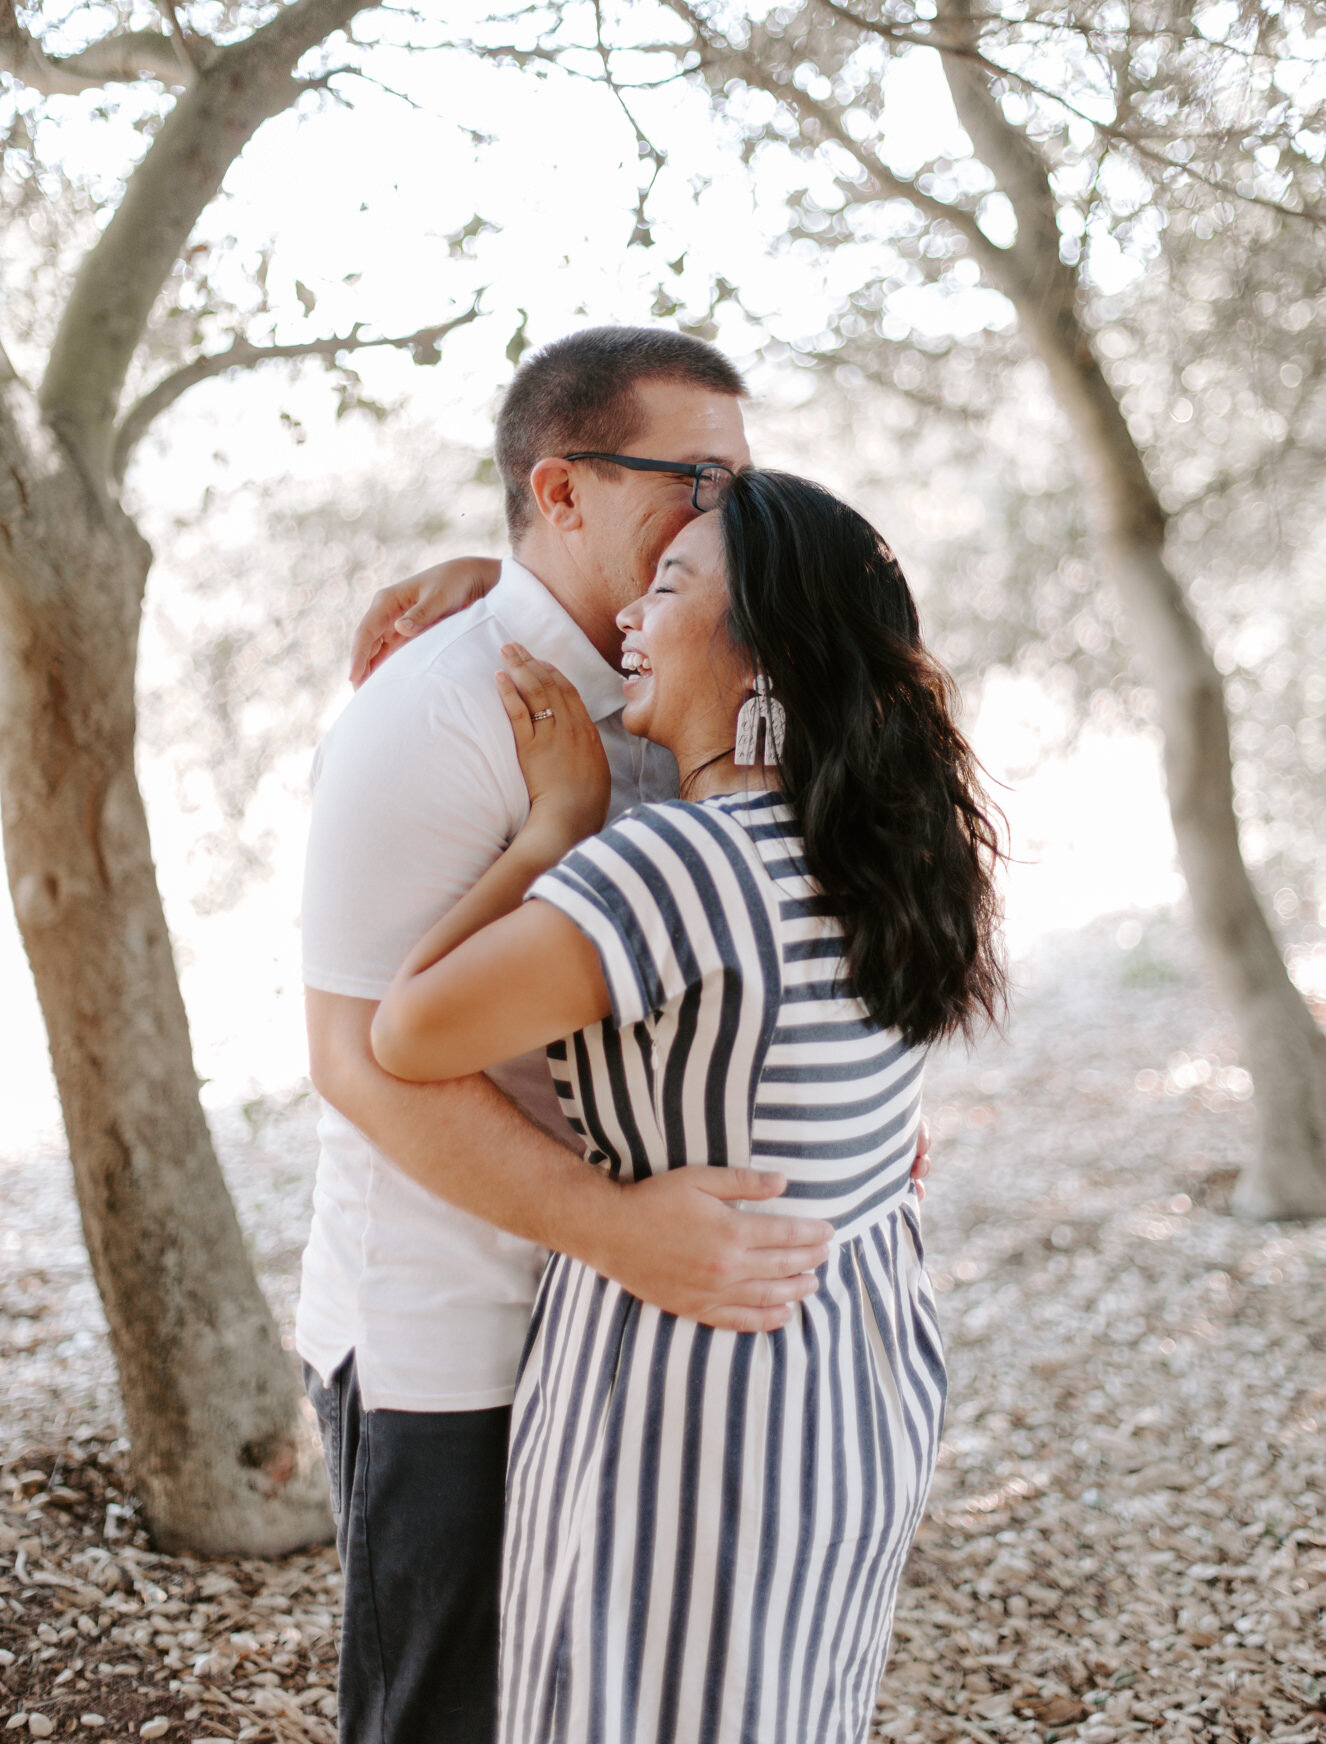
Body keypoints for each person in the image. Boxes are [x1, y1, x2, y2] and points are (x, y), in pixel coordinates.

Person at [366, 468, 1005, 1744]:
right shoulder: (887, 851)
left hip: (688, 1396)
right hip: (854, 1373)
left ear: (762, 644)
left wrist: (557, 821)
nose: (627, 622)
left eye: (668, 586)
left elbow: (405, 1030)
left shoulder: (679, 863)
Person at [298, 327, 845, 1744]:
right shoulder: (428, 713)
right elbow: (359, 1059)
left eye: (741, 480)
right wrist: (619, 1231)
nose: (730, 514)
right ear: (563, 491)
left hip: (649, 1346)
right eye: (696, 480)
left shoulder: (709, 680)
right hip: (461, 1340)